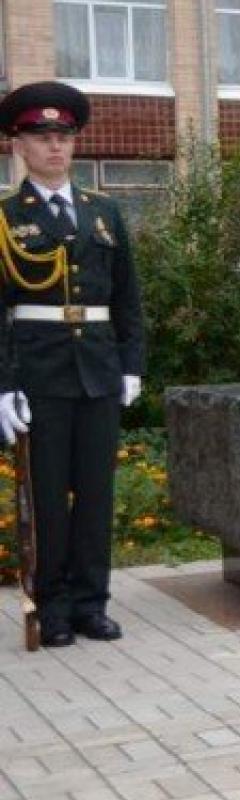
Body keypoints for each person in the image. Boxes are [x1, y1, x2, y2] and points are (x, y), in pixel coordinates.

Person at [0, 81, 146, 647]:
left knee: (95, 494)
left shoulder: (102, 212)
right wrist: (4, 385)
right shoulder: (7, 218)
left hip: (99, 371)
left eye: (63, 136)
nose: (55, 146)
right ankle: (53, 607)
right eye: (42, 137)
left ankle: (91, 604)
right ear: (19, 146)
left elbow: (128, 297)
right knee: (47, 497)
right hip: (40, 376)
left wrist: (131, 365)